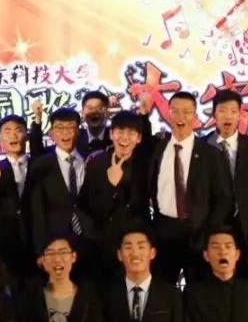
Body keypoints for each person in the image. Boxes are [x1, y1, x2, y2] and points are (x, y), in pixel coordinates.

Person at [149, 91, 233, 284]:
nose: (181, 117)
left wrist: (207, 233)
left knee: (199, 289)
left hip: (198, 233)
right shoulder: (158, 149)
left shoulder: (211, 154)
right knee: (162, 289)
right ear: (168, 114)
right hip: (164, 232)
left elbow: (223, 199)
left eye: (187, 112)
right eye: (175, 111)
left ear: (195, 116)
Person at [204, 90, 248, 281]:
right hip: (212, 230)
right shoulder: (202, 146)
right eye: (223, 110)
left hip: (247, 229)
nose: (228, 116)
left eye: (233, 111)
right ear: (213, 114)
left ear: (240, 114)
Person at [79, 110, 151, 276]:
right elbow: (89, 208)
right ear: (111, 134)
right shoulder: (96, 163)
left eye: (131, 133)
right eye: (120, 132)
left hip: (137, 243)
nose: (125, 138)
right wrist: (111, 186)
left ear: (139, 138)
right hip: (104, 244)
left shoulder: (145, 164)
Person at [27, 108, 96, 275]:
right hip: (55, 244)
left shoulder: (92, 159)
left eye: (70, 127)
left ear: (78, 131)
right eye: (59, 128)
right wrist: (40, 250)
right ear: (51, 133)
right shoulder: (41, 165)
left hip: (89, 240)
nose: (65, 132)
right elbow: (36, 210)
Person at [0, 114, 34, 284]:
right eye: (7, 131)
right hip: (4, 242)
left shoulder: (39, 165)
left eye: (18, 130)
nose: (13, 135)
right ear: (0, 140)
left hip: (36, 240)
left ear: (26, 136)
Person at [27, 91, 113, 159]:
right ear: (82, 112)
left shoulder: (115, 138)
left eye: (100, 108)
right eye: (90, 108)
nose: (94, 112)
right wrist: (37, 118)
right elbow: (39, 154)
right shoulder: (74, 137)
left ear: (108, 112)